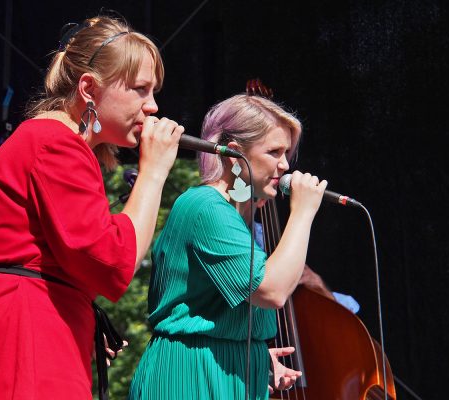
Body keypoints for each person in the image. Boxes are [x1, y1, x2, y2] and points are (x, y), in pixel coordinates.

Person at [0, 15, 184, 400]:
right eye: (140, 89)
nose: (153, 106)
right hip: (21, 333)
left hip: (28, 329)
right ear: (88, 87)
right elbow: (112, 263)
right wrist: (153, 173)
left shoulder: (50, 141)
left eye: (154, 92)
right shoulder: (54, 143)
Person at [128, 93, 327, 399]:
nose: (286, 165)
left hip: (228, 370)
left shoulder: (234, 217)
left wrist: (255, 357)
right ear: (234, 154)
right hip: (191, 375)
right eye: (274, 151)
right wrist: (302, 212)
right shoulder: (206, 207)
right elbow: (271, 291)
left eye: (287, 152)